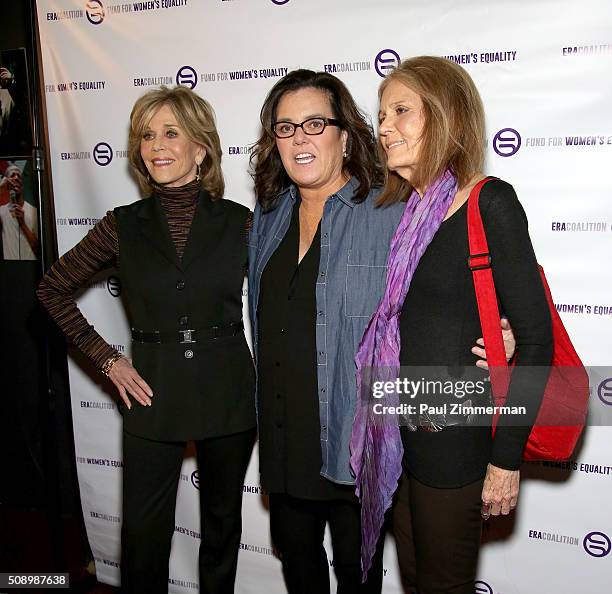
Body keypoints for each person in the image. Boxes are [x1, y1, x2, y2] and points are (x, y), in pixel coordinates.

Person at [248, 69, 516, 594]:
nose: (299, 137)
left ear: (345, 136)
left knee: (359, 576)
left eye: (315, 123)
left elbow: (447, 288)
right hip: (284, 438)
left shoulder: (390, 210)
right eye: (285, 128)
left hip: (357, 439)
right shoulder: (268, 215)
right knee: (299, 569)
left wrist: (498, 330)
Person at [37, 86, 256, 594]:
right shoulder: (121, 226)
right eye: (146, 135)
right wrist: (107, 360)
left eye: (171, 133)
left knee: (222, 527)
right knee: (144, 535)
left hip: (228, 389)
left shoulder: (242, 223)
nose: (155, 145)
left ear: (200, 148)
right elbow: (52, 289)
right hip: (151, 390)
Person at [350, 56, 553, 593]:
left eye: (401, 111)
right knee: (416, 579)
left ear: (446, 117)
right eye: (381, 114)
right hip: (399, 438)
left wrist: (506, 462)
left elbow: (535, 341)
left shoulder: (490, 202)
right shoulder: (405, 216)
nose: (384, 127)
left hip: (456, 441)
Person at [0, 162, 38, 260]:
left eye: (19, 176)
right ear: (8, 185)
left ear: (22, 185)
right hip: (9, 268)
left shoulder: (33, 211)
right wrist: (1, 187)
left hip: (30, 267)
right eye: (12, 175)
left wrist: (22, 224)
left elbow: (38, 248)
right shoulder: (1, 212)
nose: (16, 178)